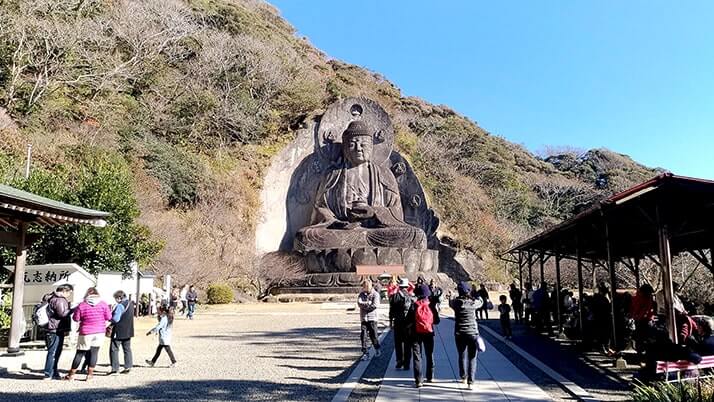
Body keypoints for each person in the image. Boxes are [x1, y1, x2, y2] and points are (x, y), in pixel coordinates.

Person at [64, 288, 111, 381]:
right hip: (100, 331)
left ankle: (72, 374)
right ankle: (90, 374)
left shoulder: (82, 305)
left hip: (86, 331)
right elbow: (109, 317)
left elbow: (76, 318)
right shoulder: (103, 304)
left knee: (80, 353)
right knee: (94, 353)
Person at [450, 282, 482, 390]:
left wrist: (451, 296)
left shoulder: (456, 303)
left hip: (459, 333)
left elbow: (450, 302)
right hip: (472, 333)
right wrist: (476, 294)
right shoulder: (473, 303)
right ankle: (471, 382)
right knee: (472, 357)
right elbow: (481, 301)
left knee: (461, 355)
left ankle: (463, 376)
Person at [42, 284, 73, 380]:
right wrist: (72, 309)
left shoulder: (50, 297)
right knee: (54, 351)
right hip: (55, 328)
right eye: (69, 292)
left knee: (53, 351)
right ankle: (49, 373)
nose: (69, 295)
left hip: (50, 327)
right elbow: (62, 314)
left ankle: (53, 372)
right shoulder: (60, 299)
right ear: (65, 291)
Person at [408, 284, 436, 388]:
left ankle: (419, 380)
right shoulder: (431, 304)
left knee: (417, 356)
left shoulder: (414, 305)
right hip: (429, 333)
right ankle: (430, 376)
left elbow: (409, 320)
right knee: (430, 354)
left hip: (416, 333)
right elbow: (437, 320)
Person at [389, 278, 413, 370]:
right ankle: (407, 363)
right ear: (406, 286)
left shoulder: (394, 296)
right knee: (407, 343)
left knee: (398, 343)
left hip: (398, 322)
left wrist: (390, 322)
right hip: (408, 323)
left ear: (399, 286)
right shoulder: (410, 296)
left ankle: (399, 361)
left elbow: (391, 310)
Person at [109, 290, 134, 374]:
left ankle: (115, 369)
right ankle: (128, 366)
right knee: (127, 349)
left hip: (119, 330)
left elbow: (116, 319)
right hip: (129, 330)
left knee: (114, 349)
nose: (115, 300)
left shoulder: (120, 306)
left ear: (119, 297)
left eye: (115, 298)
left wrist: (109, 319)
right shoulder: (130, 303)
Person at [357, 280, 381, 360]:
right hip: (364, 318)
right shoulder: (361, 294)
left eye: (365, 287)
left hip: (372, 318)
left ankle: (377, 348)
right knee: (363, 336)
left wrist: (365, 305)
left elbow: (375, 305)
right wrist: (367, 304)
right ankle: (365, 352)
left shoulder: (375, 294)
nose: (363, 288)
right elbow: (359, 303)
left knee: (373, 335)